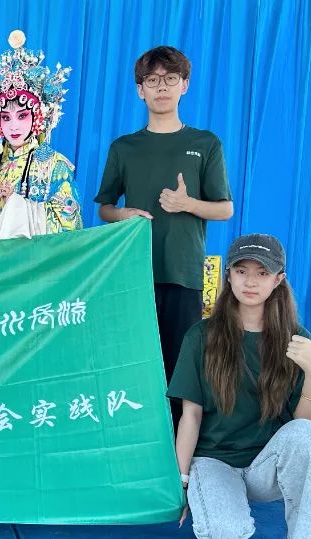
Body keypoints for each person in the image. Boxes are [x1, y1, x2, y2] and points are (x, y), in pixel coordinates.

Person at [168, 233, 311, 539]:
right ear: (228, 275)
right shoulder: (201, 336)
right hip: (215, 461)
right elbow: (190, 416)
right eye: (242, 271)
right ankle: (220, 504)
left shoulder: (296, 339)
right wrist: (181, 482)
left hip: (266, 467)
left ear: (279, 279)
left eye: (262, 273)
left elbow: (307, 430)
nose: (251, 282)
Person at [95, 46, 233, 427]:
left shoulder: (206, 144)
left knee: (179, 368)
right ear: (140, 89)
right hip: (133, 274)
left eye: (170, 79)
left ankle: (177, 448)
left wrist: (187, 203)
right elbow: (104, 207)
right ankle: (134, 438)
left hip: (184, 273)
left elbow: (225, 209)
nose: (161, 87)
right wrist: (122, 214)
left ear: (184, 85)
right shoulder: (124, 148)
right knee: (133, 361)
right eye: (152, 80)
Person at [0, 30, 82, 239]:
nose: (13, 127)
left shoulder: (55, 165)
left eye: (22, 116)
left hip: (33, 258)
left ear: (38, 117)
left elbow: (70, 226)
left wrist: (18, 206)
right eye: (6, 118)